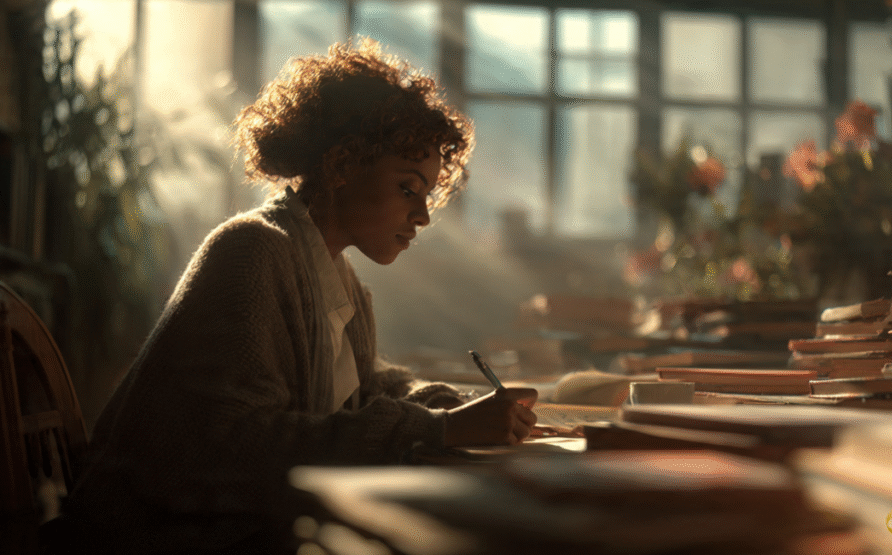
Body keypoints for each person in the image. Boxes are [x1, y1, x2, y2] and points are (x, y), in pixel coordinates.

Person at [54, 38, 537, 555]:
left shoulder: (334, 273)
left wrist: (451, 405)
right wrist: (436, 428)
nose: (422, 215)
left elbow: (369, 389)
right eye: (407, 188)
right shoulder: (252, 251)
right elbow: (237, 450)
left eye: (427, 195)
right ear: (342, 165)